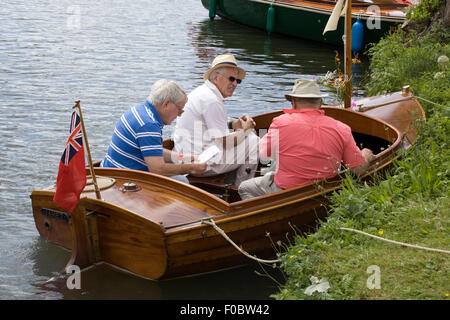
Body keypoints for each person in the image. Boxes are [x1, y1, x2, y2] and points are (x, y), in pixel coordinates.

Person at [238, 79, 375, 200]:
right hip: (324, 192)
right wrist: (366, 155)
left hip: (285, 191)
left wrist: (250, 132)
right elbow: (358, 170)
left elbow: (264, 155)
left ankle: (268, 216)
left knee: (244, 187)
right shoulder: (342, 128)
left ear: (293, 102)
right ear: (320, 103)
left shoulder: (280, 122)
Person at [173, 54, 259, 186]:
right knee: (253, 140)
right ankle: (240, 190)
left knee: (243, 138)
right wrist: (246, 130)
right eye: (231, 79)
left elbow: (208, 126)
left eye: (238, 81)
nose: (235, 84)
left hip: (184, 157)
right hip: (200, 163)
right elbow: (226, 143)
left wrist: (233, 124)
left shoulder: (202, 92)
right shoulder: (213, 100)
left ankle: (229, 184)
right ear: (215, 77)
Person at [100, 79, 206, 183]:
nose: (180, 114)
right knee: (182, 181)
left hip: (109, 170)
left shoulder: (140, 111)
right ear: (166, 104)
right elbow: (158, 170)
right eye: (179, 109)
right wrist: (191, 168)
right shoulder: (149, 125)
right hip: (121, 179)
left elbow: (153, 151)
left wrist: (187, 158)